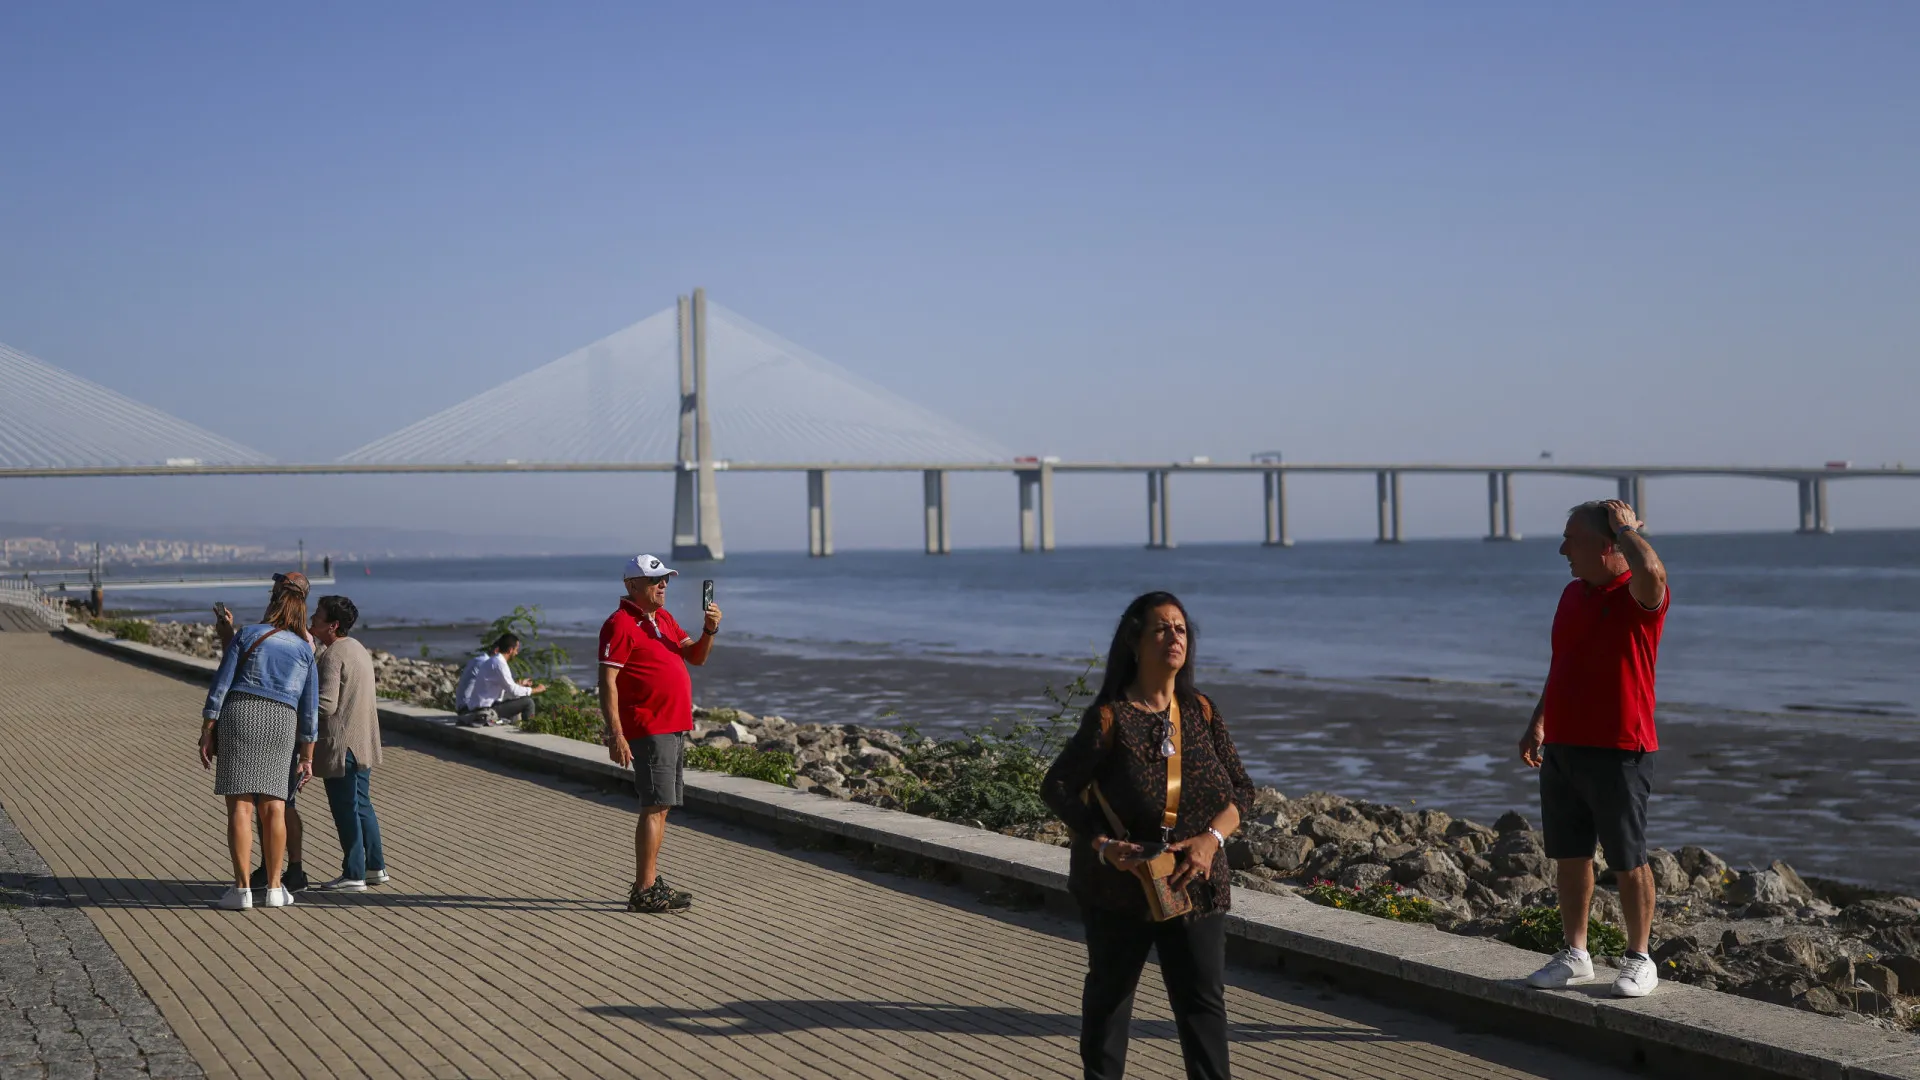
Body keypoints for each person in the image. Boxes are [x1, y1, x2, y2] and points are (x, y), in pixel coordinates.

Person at [1041, 592, 1252, 1080]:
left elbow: (1243, 790)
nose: (1174, 636)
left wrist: (1210, 841)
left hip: (1196, 880)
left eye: (1181, 628)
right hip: (1122, 886)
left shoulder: (1201, 710)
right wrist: (1102, 844)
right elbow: (1057, 786)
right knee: (1109, 1007)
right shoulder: (1110, 717)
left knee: (1203, 1008)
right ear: (1135, 643)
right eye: (1161, 628)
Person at [1519, 499, 1669, 998]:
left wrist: (1626, 528)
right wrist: (1539, 721)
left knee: (1628, 858)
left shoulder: (1639, 595)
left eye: (1572, 539)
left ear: (1607, 546)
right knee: (1570, 855)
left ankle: (1640, 958)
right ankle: (1576, 954)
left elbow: (1650, 567)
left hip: (1620, 747)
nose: (1562, 549)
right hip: (1564, 744)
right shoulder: (1571, 595)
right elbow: (1562, 662)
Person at [598, 554, 720, 914]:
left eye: (665, 579)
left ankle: (649, 883)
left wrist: (709, 630)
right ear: (631, 586)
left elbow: (695, 657)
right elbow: (607, 682)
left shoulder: (663, 618)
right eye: (655, 581)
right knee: (653, 807)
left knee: (663, 807)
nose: (663, 585)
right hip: (649, 726)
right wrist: (615, 732)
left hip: (673, 724)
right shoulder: (619, 624)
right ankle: (644, 890)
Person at [200, 575, 319, 911]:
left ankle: (241, 892)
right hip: (283, 720)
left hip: (241, 713)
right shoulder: (304, 649)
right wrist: (307, 755)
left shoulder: (250, 634)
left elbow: (221, 684)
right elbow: (310, 710)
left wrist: (208, 727)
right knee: (275, 806)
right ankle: (277, 888)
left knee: (240, 806)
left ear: (274, 601)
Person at [310, 595, 388, 892]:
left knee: (345, 810)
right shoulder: (356, 648)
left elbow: (326, 705)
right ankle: (375, 867)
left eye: (318, 614)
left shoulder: (333, 655)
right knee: (363, 805)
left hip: (341, 746)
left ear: (333, 625)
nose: (312, 617)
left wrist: (294, 709)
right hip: (363, 741)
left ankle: (353, 873)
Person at [454, 633, 546, 725]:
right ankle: (529, 730)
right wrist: (536, 689)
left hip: (480, 706)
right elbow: (513, 690)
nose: (517, 653)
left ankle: (513, 726)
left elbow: (504, 689)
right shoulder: (499, 664)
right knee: (528, 702)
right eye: (516, 650)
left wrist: (519, 686)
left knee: (515, 699)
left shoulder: (491, 661)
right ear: (510, 650)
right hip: (483, 710)